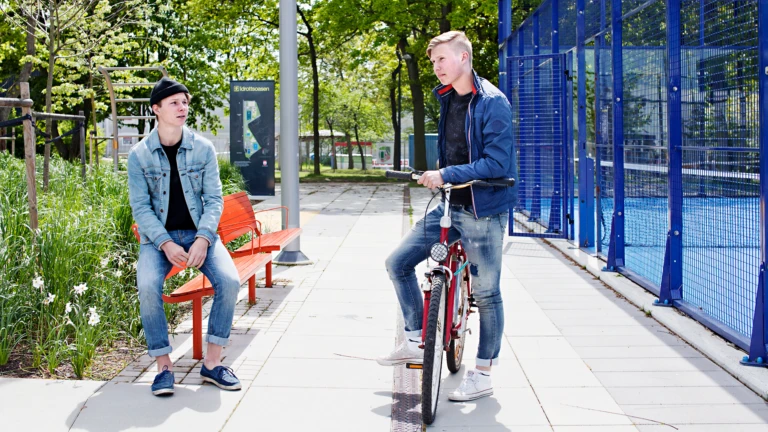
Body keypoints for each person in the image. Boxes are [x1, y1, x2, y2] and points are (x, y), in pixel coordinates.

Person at [377, 31, 517, 402]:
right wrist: (438, 175)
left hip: (483, 211)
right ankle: (415, 338)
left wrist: (446, 174)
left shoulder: (493, 103)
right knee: (398, 263)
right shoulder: (448, 98)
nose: (436, 67)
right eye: (433, 61)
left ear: (464, 58)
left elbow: (497, 163)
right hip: (449, 205)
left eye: (442, 59)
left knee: (486, 293)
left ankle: (483, 372)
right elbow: (455, 152)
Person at [128, 77, 242, 396]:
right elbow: (141, 207)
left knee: (230, 281)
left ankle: (213, 363)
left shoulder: (203, 149)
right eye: (174, 102)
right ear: (157, 109)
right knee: (148, 285)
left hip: (199, 234)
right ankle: (164, 367)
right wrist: (164, 242)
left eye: (185, 102)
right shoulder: (139, 155)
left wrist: (204, 238)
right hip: (158, 240)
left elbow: (214, 199)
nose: (182, 107)